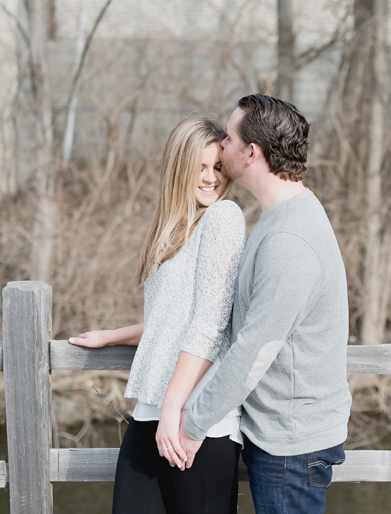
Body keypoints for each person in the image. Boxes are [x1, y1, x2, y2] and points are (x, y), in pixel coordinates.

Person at [171, 94, 352, 514]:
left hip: (291, 447)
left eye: (229, 139)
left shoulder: (288, 241)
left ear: (251, 153)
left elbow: (253, 349)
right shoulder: (284, 216)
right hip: (284, 439)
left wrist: (191, 424)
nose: (222, 145)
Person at [68, 116, 247, 514]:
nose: (210, 178)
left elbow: (210, 325)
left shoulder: (224, 218)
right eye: (199, 167)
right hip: (153, 408)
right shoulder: (172, 230)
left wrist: (175, 411)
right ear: (177, 168)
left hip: (197, 418)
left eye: (217, 167)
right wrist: (113, 336)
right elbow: (175, 321)